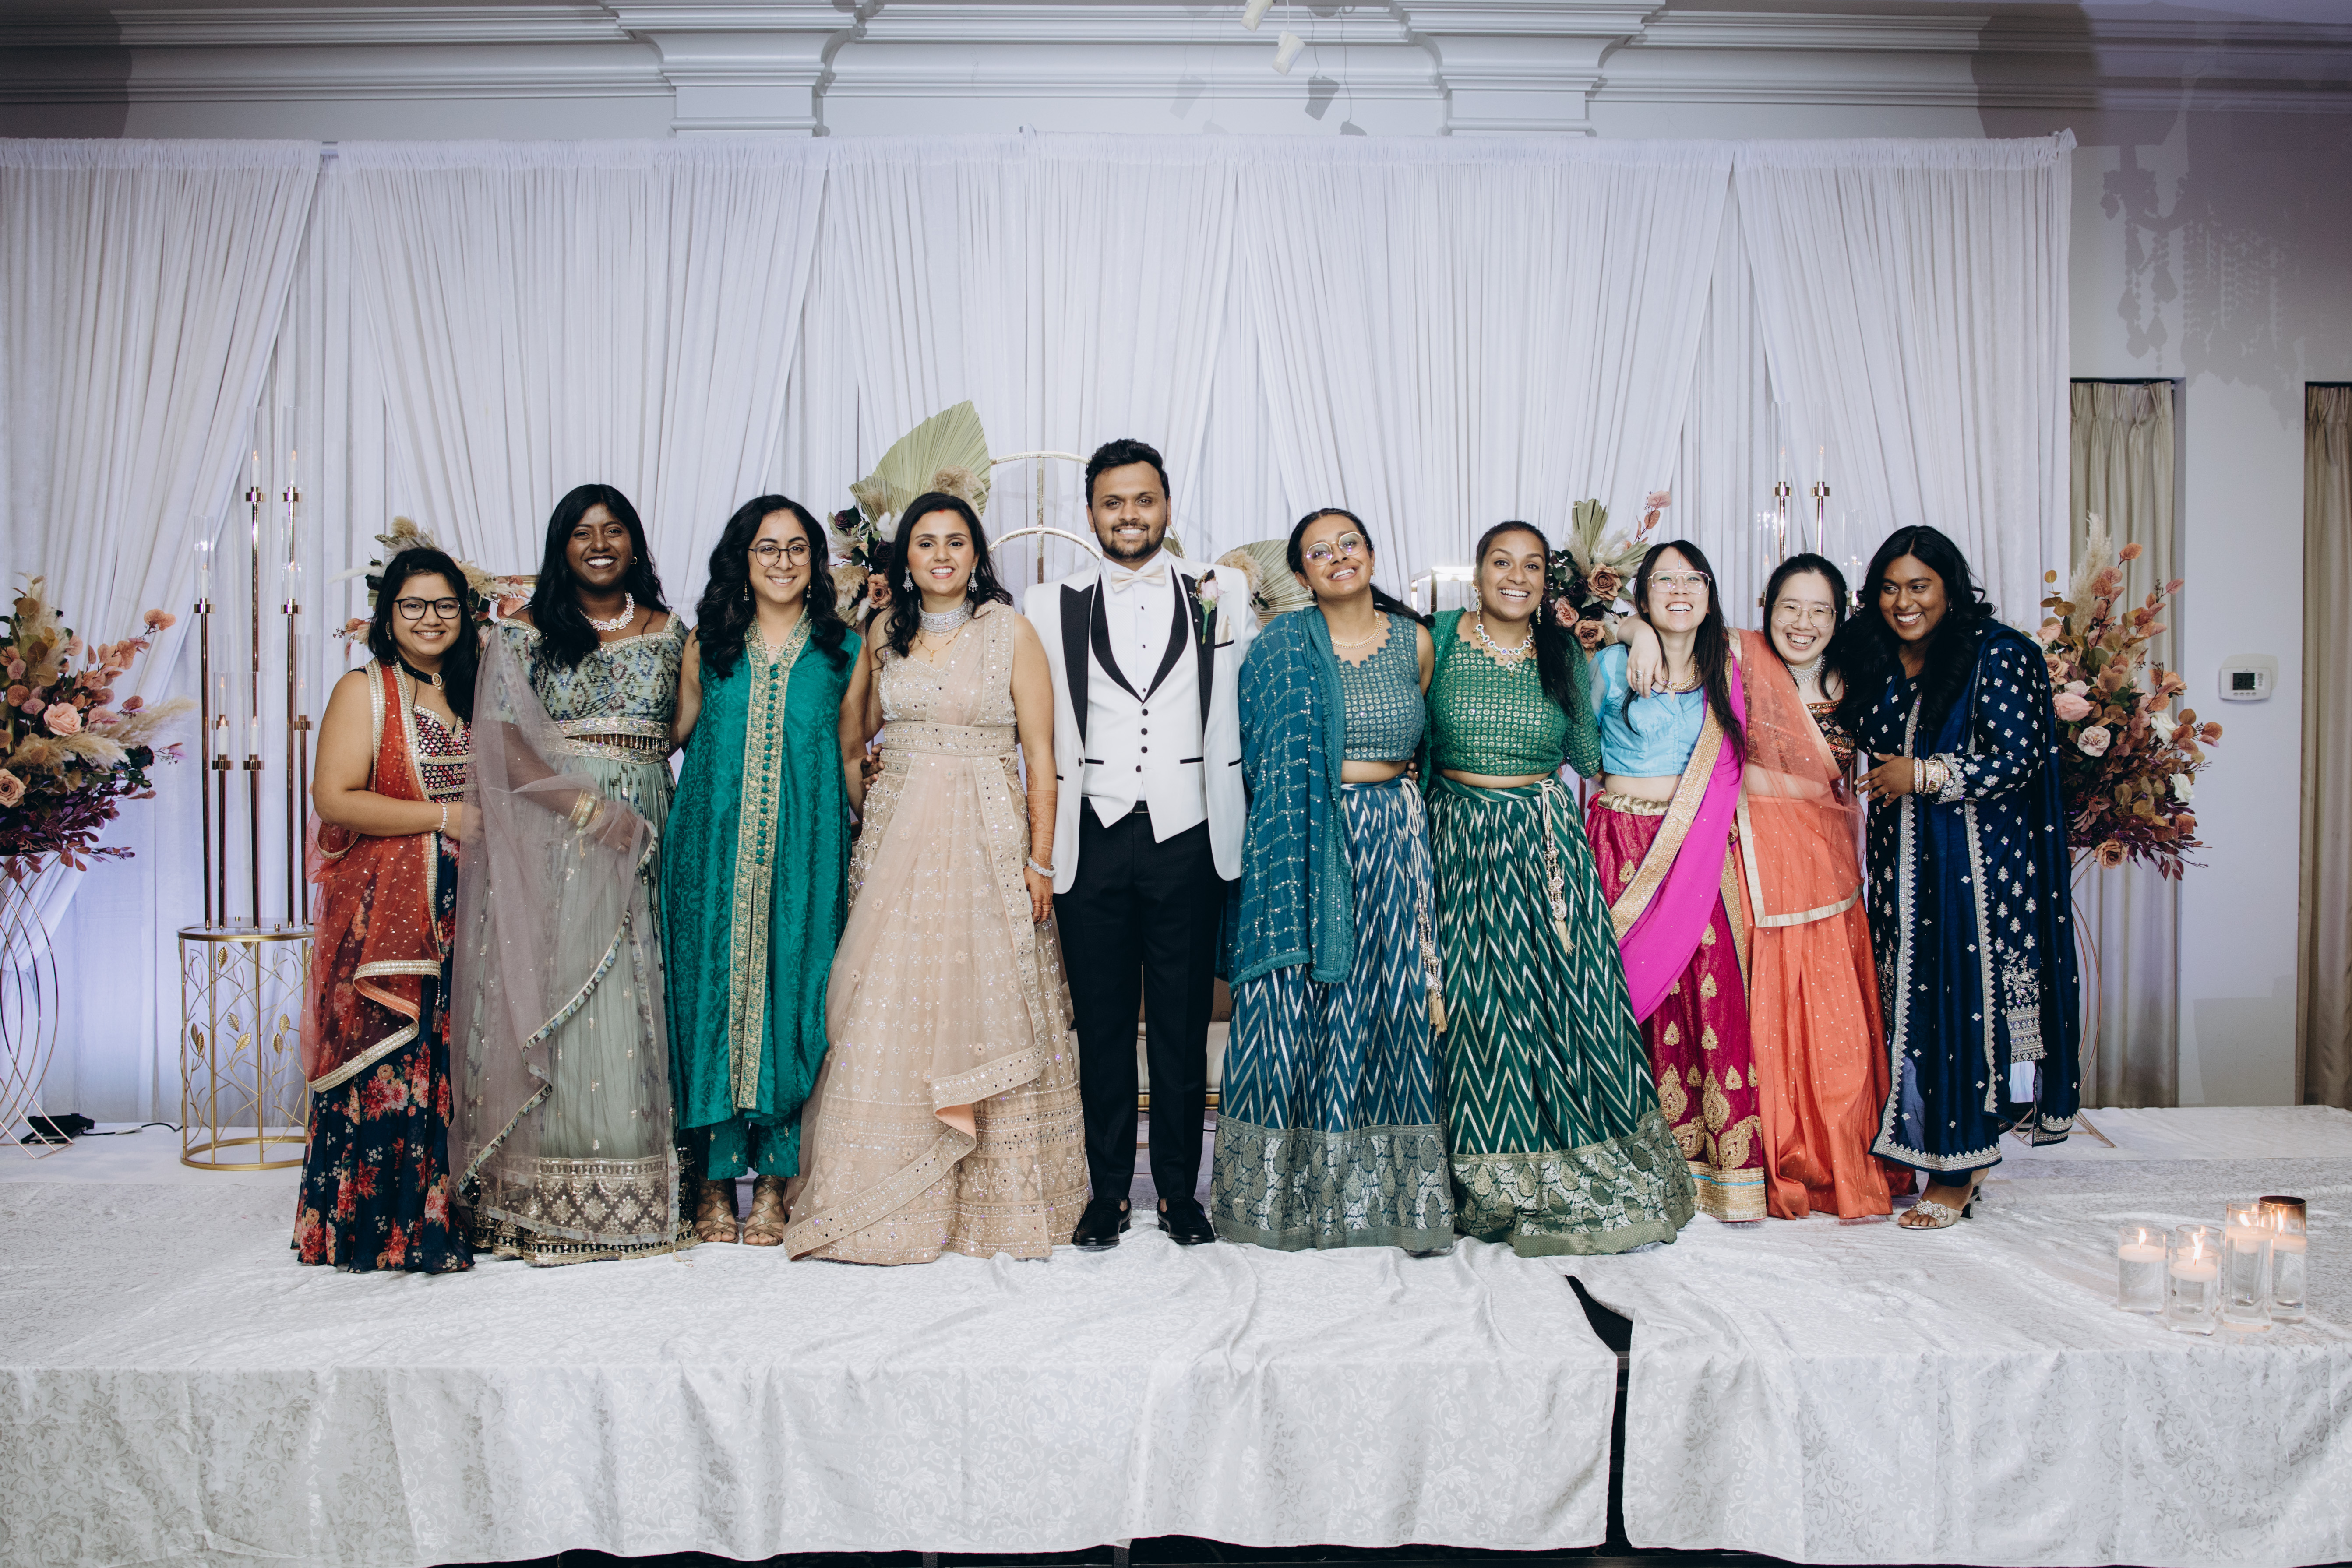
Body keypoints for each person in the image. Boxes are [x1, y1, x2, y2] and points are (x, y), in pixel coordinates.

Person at [781, 492, 1087, 1263]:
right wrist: (874, 799)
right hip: (900, 846)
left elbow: (1042, 758)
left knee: (988, 990)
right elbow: (854, 737)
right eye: (926, 542)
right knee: (889, 997)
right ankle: (888, 1196)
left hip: (988, 840)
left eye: (956, 541)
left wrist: (1041, 859)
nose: (942, 555)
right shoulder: (884, 633)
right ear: (905, 557)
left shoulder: (1012, 632)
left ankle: (994, 1201)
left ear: (977, 553)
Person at [1423, 521, 1694, 1255]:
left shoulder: (1563, 653)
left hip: (1545, 849)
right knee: (1475, 1011)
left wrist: (1634, 631)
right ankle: (1481, 1173)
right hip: (1458, 842)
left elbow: (1589, 753)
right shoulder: (1437, 638)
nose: (1517, 577)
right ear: (1477, 571)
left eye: (1533, 566)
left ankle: (1576, 1157)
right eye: (1502, 562)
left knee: (1567, 1004)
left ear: (1550, 580)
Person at [1023, 439, 1259, 1250]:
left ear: (1167, 505)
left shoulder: (1223, 590)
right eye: (1114, 502)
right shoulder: (1048, 603)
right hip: (1090, 831)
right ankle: (1109, 1192)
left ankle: (1181, 1193)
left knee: (1182, 1022)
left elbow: (1257, 689)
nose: (1130, 515)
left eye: (1144, 500)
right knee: (1102, 1023)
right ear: (1091, 513)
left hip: (1190, 830)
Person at [451, 483, 689, 1265]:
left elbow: (688, 725)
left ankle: (641, 1176)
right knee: (569, 990)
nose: (599, 544)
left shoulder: (670, 630)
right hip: (559, 833)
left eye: (613, 530)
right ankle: (550, 1190)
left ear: (634, 543)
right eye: (582, 532)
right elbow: (501, 744)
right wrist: (590, 810)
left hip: (650, 824)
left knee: (644, 988)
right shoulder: (524, 632)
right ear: (561, 547)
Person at [1215, 508, 1453, 1253]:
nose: (1338, 557)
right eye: (1319, 551)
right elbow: (1248, 751)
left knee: (1389, 1006)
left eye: (1349, 543)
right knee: (1297, 1007)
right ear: (1302, 573)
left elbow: (1429, 744)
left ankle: (1384, 1195)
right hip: (1303, 842)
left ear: (1372, 555)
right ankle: (1280, 1196)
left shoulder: (1416, 641)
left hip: (1392, 841)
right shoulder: (1278, 645)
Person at [1833, 525, 2080, 1227]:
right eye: (1889, 588)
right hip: (1898, 867)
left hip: (1975, 866)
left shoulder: (1997, 653)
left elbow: (2019, 758)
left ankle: (1958, 1168)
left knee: (1962, 1008)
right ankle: (1930, 1149)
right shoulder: (1877, 654)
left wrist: (1926, 773)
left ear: (1950, 587)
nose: (1903, 602)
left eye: (1919, 587)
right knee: (1909, 1010)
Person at [662, 496, 858, 1246]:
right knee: (711, 995)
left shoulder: (844, 650)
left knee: (794, 991)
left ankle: (775, 1181)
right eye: (767, 548)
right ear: (742, 560)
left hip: (806, 851)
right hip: (711, 853)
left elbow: (852, 753)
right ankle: (714, 1184)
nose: (783, 561)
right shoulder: (707, 644)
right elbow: (670, 735)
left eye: (797, 547)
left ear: (816, 560)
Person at [293, 546, 477, 1274]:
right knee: (392, 1058)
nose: (431, 619)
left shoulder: (471, 689)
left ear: (466, 612)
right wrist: (444, 818)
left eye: (445, 604)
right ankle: (375, 1226)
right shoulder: (363, 689)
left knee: (452, 1058)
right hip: (387, 919)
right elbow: (334, 798)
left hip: (466, 907)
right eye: (414, 605)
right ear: (389, 614)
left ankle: (443, 1210)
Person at [1587, 540, 1763, 1224]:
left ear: (1711, 594)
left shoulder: (1731, 670)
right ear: (1644, 594)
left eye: (1693, 579)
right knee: (1622, 995)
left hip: (1699, 850)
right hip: (1621, 845)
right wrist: (1629, 633)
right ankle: (1619, 1160)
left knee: (1702, 999)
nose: (1680, 590)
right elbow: (1578, 749)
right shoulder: (1612, 664)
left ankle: (1706, 1167)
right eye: (1664, 579)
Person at [1735, 556, 1895, 1222]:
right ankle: (1764, 1155)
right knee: (1761, 1011)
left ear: (1840, 616)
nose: (1802, 624)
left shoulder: (1860, 678)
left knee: (1834, 1021)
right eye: (1790, 607)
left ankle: (1836, 1153)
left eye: (1820, 610)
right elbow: (1650, 628)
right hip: (1750, 861)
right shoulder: (1737, 659)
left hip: (1826, 864)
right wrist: (1639, 633)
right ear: (1766, 607)